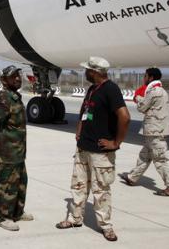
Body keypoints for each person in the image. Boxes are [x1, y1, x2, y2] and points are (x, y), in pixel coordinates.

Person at [55, 56, 129, 242]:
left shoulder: (110, 89)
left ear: (94, 72)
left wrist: (116, 143)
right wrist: (79, 130)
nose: (84, 72)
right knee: (78, 186)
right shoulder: (92, 89)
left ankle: (105, 226)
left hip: (100, 153)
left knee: (101, 190)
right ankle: (75, 218)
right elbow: (85, 112)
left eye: (87, 69)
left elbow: (124, 117)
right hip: (83, 148)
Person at [0, 65, 33, 231]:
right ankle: (2, 217)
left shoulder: (14, 97)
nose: (18, 78)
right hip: (6, 151)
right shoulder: (4, 98)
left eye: (18, 76)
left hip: (17, 151)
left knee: (21, 182)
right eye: (13, 77)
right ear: (4, 80)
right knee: (6, 185)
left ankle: (17, 212)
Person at [120, 67, 169, 196]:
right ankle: (132, 177)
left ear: (150, 77)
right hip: (154, 130)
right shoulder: (161, 91)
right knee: (144, 156)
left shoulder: (154, 92)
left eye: (145, 76)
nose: (144, 78)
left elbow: (142, 107)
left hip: (155, 131)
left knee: (160, 159)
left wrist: (138, 97)